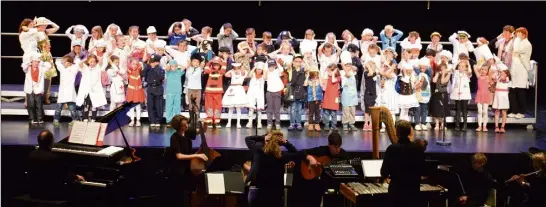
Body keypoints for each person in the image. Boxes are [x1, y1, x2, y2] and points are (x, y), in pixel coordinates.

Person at [290, 132, 348, 207]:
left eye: (339, 146)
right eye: (335, 147)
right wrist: (310, 158)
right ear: (329, 145)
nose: (338, 150)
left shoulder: (344, 155)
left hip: (333, 185)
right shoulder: (322, 150)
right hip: (317, 185)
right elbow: (301, 152)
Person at [27, 130, 85, 200]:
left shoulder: (31, 155)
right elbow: (65, 175)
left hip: (34, 193)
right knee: (76, 187)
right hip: (53, 195)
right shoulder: (56, 158)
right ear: (51, 142)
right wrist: (76, 177)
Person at [245, 131, 298, 207]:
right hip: (274, 192)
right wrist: (286, 143)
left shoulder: (258, 149)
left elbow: (247, 139)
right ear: (279, 143)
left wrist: (263, 137)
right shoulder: (281, 156)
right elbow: (296, 153)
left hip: (256, 190)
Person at [381, 120, 426, 207]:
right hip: (413, 191)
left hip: (396, 192)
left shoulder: (391, 149)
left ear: (397, 132)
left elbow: (384, 172)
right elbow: (423, 171)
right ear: (409, 132)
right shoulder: (418, 149)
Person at [168, 115, 208, 207]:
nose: (186, 126)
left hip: (188, 167)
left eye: (186, 124)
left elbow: (202, 131)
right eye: (184, 125)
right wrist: (197, 155)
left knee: (189, 191)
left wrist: (205, 124)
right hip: (179, 169)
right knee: (181, 194)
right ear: (178, 127)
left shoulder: (187, 132)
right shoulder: (174, 138)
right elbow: (179, 156)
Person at [23, 52, 53, 124]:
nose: (36, 63)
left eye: (37, 62)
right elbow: (24, 65)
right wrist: (30, 61)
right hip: (30, 89)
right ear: (32, 62)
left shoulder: (41, 68)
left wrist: (41, 62)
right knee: (31, 105)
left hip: (38, 89)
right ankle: (32, 118)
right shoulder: (27, 68)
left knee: (39, 105)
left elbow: (49, 66)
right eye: (35, 62)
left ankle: (40, 119)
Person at [509, 27, 532, 119]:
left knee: (520, 91)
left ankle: (521, 111)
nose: (517, 35)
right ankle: (514, 111)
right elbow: (510, 49)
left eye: (519, 34)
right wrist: (514, 38)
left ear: (524, 34)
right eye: (517, 33)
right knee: (513, 91)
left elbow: (517, 49)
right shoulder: (517, 41)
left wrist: (517, 39)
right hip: (515, 70)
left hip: (522, 70)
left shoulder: (526, 44)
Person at [142, 54, 166, 128]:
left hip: (158, 88)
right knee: (150, 105)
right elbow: (142, 74)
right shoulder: (148, 68)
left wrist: (155, 68)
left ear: (157, 62)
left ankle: (158, 120)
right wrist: (148, 66)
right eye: (151, 62)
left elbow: (161, 77)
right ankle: (152, 120)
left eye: (153, 62)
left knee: (158, 105)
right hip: (150, 88)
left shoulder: (160, 69)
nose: (152, 63)